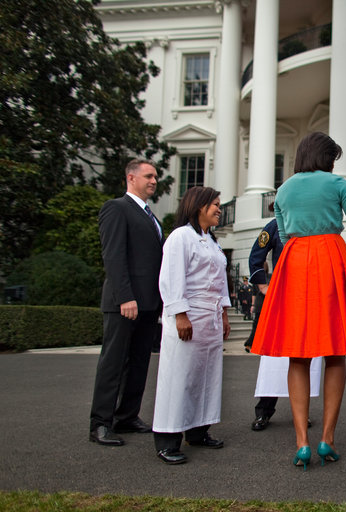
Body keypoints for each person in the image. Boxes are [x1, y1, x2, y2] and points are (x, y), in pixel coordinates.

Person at [250, 131, 346, 470]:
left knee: (297, 356)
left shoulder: (283, 189)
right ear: (326, 159)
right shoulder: (337, 184)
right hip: (330, 256)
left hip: (295, 260)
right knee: (335, 352)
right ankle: (327, 437)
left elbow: (283, 234)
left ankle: (301, 443)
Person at [151, 186, 231, 465]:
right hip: (189, 315)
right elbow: (172, 277)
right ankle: (167, 439)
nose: (219, 209)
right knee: (179, 377)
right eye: (215, 204)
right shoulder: (180, 237)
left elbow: (220, 280)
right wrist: (179, 314)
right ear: (200, 207)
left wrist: (223, 313)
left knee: (206, 376)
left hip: (209, 318)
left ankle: (198, 430)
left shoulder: (212, 241)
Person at [89, 158, 164, 446]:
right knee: (113, 363)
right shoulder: (116, 208)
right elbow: (114, 256)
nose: (154, 181)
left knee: (139, 363)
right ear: (131, 178)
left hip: (147, 305)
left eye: (155, 176)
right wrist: (126, 297)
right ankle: (100, 423)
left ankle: (127, 416)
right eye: (148, 176)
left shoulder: (151, 217)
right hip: (125, 303)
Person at [246, 219, 321, 431]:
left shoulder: (315, 220)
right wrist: (262, 285)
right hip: (282, 297)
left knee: (306, 358)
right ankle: (263, 412)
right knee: (273, 359)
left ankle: (301, 413)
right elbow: (257, 254)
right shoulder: (276, 224)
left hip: (308, 296)